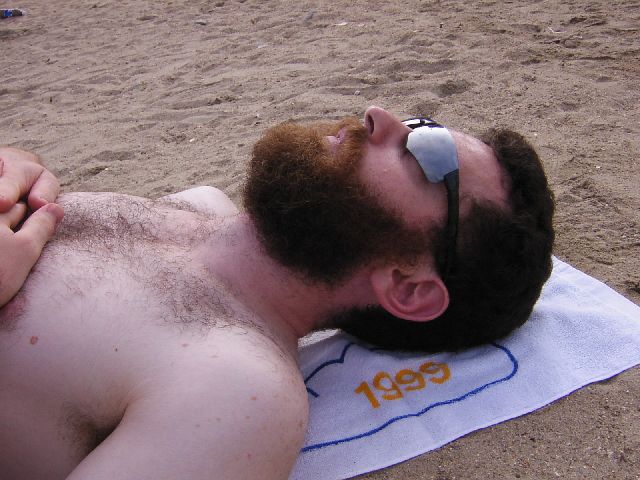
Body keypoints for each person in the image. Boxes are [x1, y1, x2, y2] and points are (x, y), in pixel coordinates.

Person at [0, 106, 554, 479]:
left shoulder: (241, 393)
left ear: (407, 287)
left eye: (430, 156)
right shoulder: (199, 204)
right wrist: (17, 163)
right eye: (420, 123)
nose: (378, 115)